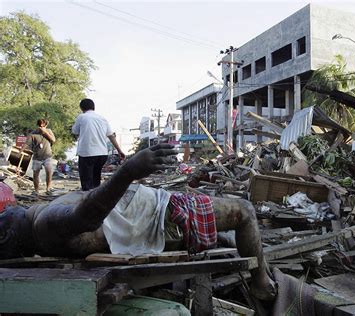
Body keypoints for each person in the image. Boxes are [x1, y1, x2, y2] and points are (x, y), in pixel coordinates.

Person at [0, 144, 276, 301]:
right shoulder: (44, 224)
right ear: (10, 230)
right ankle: (261, 284)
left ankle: (234, 247)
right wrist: (129, 170)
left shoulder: (39, 220)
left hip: (153, 211)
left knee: (228, 224)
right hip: (160, 216)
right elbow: (86, 216)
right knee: (245, 210)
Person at [72, 98, 125, 191]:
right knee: (96, 180)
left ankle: (88, 202)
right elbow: (111, 136)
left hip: (87, 153)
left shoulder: (82, 117)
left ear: (82, 108)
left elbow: (75, 131)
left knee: (87, 183)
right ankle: (97, 200)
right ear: (93, 107)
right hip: (102, 154)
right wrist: (119, 151)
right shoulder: (102, 119)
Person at [22, 119, 56, 195]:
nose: (42, 126)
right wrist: (21, 150)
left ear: (45, 125)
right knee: (35, 174)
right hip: (37, 157)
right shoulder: (33, 134)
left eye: (44, 125)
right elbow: (27, 143)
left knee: (49, 172)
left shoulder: (49, 131)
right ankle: (36, 191)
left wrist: (45, 132)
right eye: (41, 125)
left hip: (47, 156)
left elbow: (53, 140)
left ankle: (48, 189)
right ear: (39, 125)